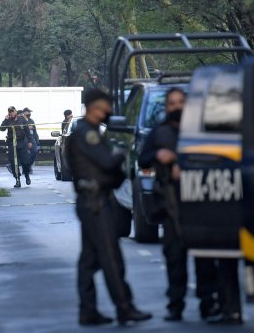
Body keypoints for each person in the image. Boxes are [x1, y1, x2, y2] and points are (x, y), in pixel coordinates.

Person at [66, 88, 152, 326]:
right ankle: (124, 307)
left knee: (89, 260)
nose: (110, 112)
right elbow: (106, 162)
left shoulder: (89, 131)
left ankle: (88, 310)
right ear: (94, 107)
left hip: (92, 200)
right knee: (111, 257)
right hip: (96, 203)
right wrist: (121, 153)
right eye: (106, 107)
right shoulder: (87, 134)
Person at [137, 88, 188, 321]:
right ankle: (175, 305)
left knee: (207, 260)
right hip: (170, 202)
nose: (177, 107)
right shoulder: (159, 132)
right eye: (172, 103)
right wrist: (159, 154)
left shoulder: (199, 130)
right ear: (167, 107)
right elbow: (142, 159)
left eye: (181, 102)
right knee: (174, 256)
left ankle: (212, 305)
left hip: (202, 202)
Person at [0, 106, 25, 188]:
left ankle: (26, 175)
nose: (11, 113)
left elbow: (27, 130)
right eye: (10, 112)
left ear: (16, 111)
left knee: (24, 160)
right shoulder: (8, 120)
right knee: (13, 162)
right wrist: (6, 119)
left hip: (21, 142)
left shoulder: (21, 119)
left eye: (12, 111)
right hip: (11, 143)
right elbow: (2, 129)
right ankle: (17, 179)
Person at [19, 107, 39, 185]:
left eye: (30, 112)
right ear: (24, 112)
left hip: (32, 139)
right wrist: (27, 127)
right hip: (24, 140)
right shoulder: (20, 120)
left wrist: (37, 141)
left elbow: (35, 131)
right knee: (25, 156)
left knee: (34, 151)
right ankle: (26, 169)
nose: (29, 113)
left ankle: (28, 166)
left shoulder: (31, 121)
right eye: (28, 112)